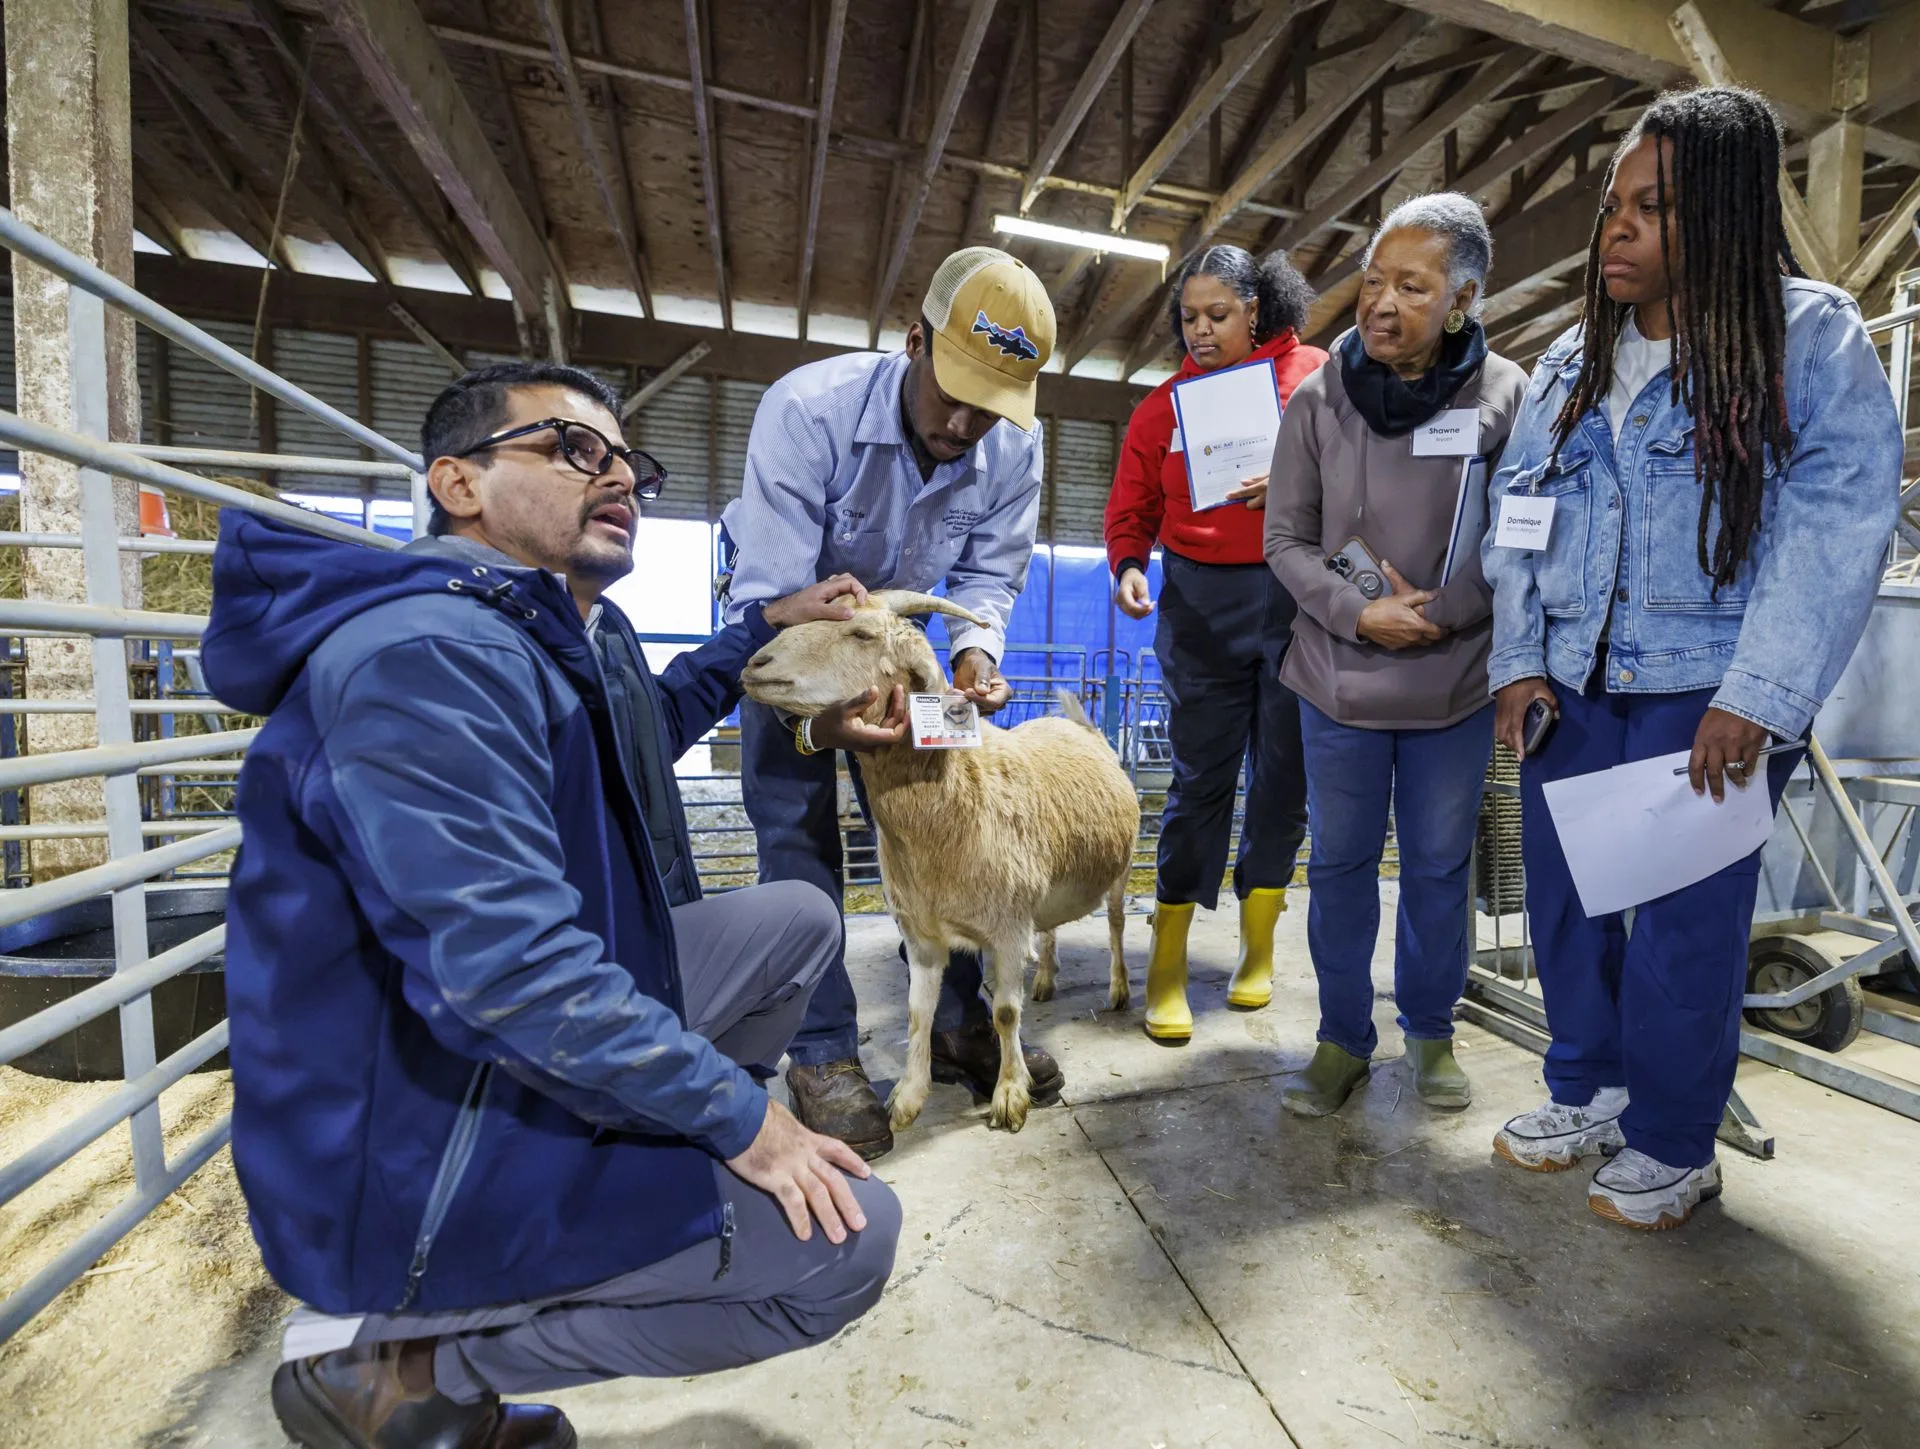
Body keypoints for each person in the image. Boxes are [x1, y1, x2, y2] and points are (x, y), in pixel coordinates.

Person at [204, 362, 904, 1449]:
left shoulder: (564, 632)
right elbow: (512, 977)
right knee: (845, 1249)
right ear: (458, 483)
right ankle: (390, 1358)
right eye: (575, 449)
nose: (619, 473)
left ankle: (642, 1184)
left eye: (628, 459)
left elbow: (650, 725)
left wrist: (765, 623)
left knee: (799, 918)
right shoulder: (429, 655)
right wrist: (741, 1123)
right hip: (416, 1142)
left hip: (486, 1055)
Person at [1483, 88, 1901, 1229]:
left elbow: (1836, 528)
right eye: (1613, 205)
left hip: (1705, 693)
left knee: (1681, 928)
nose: (1615, 229)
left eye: (1652, 209)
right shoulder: (1573, 360)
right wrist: (1520, 662)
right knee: (1567, 907)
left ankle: (1674, 1139)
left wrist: (1758, 699)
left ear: (1717, 216)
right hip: (1575, 684)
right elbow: (1515, 515)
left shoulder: (1803, 341)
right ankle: (1592, 1090)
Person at [721, 247, 1058, 1159]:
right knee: (796, 830)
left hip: (902, 645)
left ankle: (957, 1022)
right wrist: (814, 721)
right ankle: (822, 1051)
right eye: (952, 391)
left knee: (939, 821)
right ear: (913, 340)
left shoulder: (1012, 444)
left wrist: (975, 657)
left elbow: (988, 576)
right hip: (792, 632)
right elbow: (777, 597)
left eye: (990, 407)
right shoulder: (806, 411)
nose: (964, 422)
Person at [1266, 194, 1528, 1116]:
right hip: (1336, 679)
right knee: (1337, 863)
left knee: (1437, 864)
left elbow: (1519, 538)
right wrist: (1357, 612)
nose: (1381, 303)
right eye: (1373, 282)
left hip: (1450, 686)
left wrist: (1449, 612)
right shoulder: (1317, 396)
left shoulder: (1504, 394)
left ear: (1459, 300)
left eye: (1411, 287)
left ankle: (1430, 1029)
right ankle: (1341, 1038)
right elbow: (1287, 540)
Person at [1103, 244, 1324, 1042]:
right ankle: (1168, 959)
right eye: (1189, 318)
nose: (1201, 331)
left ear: (1257, 309)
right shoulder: (1162, 407)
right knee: (1199, 779)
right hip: (1197, 601)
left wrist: (1300, 482)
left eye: (1218, 315)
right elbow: (1130, 503)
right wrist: (1129, 566)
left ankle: (1257, 946)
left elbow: (1361, 467)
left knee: (1282, 777)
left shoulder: (1314, 375)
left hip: (1293, 591)